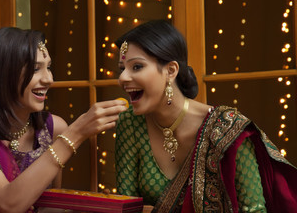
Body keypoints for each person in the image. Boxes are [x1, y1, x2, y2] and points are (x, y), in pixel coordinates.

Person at [0, 27, 127, 213]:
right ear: (2, 74)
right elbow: (8, 204)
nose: (49, 79)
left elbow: (47, 205)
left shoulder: (52, 128)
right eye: (36, 69)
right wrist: (75, 134)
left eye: (49, 68)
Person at [114, 20, 297, 212]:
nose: (123, 78)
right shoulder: (130, 123)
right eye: (122, 69)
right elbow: (127, 206)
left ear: (170, 71)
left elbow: (254, 209)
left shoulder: (227, 129)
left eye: (136, 67)